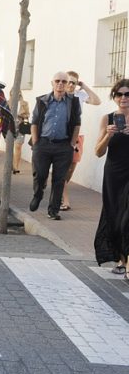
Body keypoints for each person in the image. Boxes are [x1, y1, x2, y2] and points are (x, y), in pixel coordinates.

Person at [29, 72, 81, 220]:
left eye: (64, 81)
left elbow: (77, 124)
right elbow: (34, 122)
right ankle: (38, 195)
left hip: (63, 146)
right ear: (52, 83)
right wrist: (36, 142)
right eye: (57, 81)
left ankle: (53, 210)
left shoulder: (73, 102)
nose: (61, 84)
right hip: (43, 144)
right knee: (40, 175)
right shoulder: (42, 101)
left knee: (59, 179)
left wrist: (71, 144)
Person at [93, 79, 129, 277]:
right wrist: (108, 136)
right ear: (114, 97)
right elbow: (98, 152)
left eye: (127, 94)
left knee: (128, 217)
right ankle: (121, 260)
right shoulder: (107, 119)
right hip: (114, 174)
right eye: (119, 94)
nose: (123, 98)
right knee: (115, 215)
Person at [60, 70, 102, 210]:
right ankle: (65, 200)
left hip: (78, 135)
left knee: (72, 167)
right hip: (63, 136)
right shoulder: (60, 95)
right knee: (63, 167)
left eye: (74, 82)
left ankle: (59, 190)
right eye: (68, 81)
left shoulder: (80, 95)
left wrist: (84, 86)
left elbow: (97, 101)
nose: (70, 85)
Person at [12, 90, 30, 174]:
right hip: (10, 127)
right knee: (11, 148)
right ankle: (10, 164)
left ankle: (16, 167)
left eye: (18, 92)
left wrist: (22, 115)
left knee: (18, 146)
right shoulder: (8, 102)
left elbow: (27, 115)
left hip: (21, 127)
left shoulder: (24, 103)